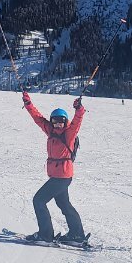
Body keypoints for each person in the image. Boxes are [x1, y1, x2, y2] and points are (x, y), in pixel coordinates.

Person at [21, 91, 87, 243]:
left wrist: (79, 109)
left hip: (61, 176)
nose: (58, 124)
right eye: (55, 121)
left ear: (65, 121)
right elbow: (38, 118)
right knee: (63, 204)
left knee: (39, 200)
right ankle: (76, 235)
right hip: (59, 176)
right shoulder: (50, 131)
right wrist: (28, 104)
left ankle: (45, 235)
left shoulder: (69, 133)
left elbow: (77, 121)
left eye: (61, 121)